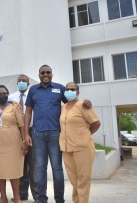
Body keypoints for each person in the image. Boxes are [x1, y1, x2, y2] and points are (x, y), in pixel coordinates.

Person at [24, 65, 91, 203]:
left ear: (52, 74)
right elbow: (28, 112)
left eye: (48, 72)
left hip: (56, 133)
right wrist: (26, 133)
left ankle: (59, 199)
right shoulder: (33, 90)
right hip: (38, 134)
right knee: (40, 168)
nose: (45, 74)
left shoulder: (60, 88)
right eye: (42, 72)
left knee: (57, 168)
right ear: (39, 75)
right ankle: (41, 199)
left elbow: (72, 104)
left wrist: (86, 102)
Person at [59, 82, 100, 203]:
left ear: (77, 92)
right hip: (67, 148)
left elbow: (96, 123)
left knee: (83, 180)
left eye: (72, 89)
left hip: (83, 148)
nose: (69, 91)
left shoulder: (83, 105)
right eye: (67, 89)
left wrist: (85, 135)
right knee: (74, 180)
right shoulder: (63, 107)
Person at [0, 85, 28, 203]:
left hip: (13, 143)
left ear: (8, 94)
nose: (2, 95)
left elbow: (21, 125)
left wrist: (24, 141)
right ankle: (3, 197)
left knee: (14, 172)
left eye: (4, 93)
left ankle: (17, 197)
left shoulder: (15, 107)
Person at [8, 74, 38, 202]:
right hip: (17, 133)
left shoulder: (34, 96)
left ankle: (37, 195)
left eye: (24, 81)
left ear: (28, 83)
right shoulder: (11, 98)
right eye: (19, 81)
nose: (21, 83)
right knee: (20, 165)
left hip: (33, 132)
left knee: (33, 165)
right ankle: (21, 194)